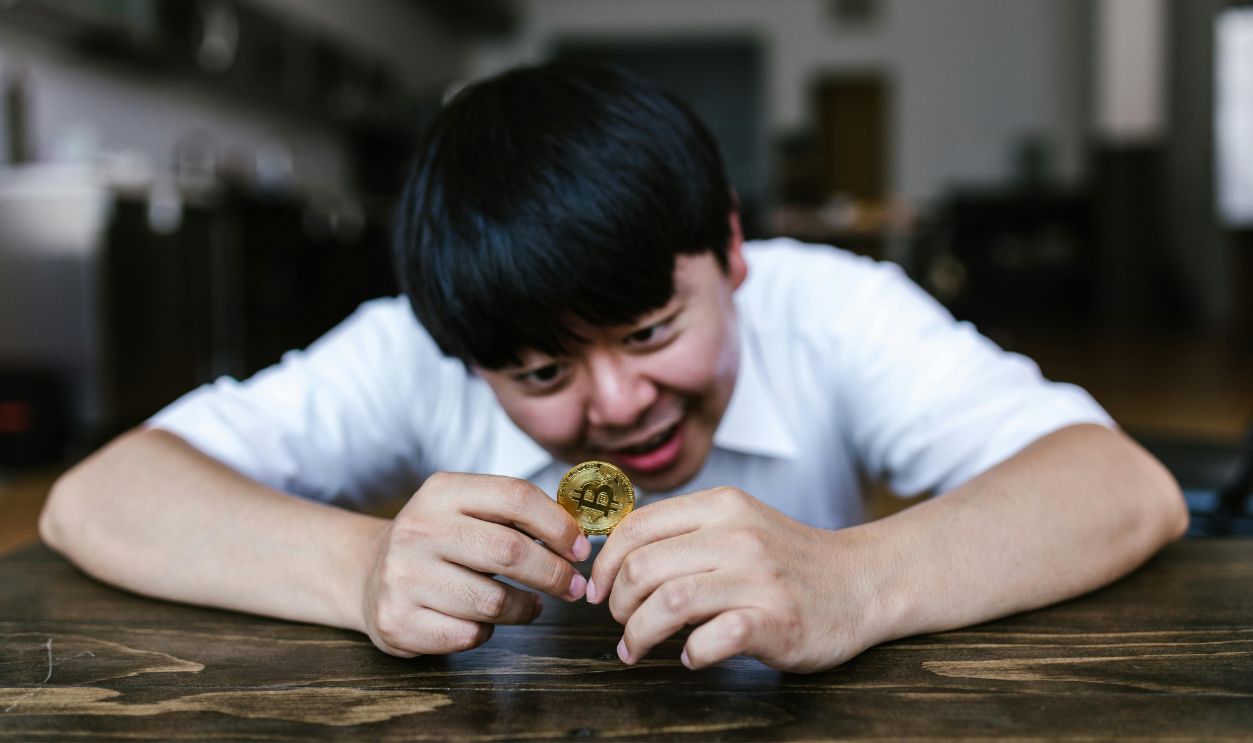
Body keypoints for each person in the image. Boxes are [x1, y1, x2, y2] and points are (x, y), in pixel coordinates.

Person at [39, 62, 1187, 674]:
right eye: (541, 373)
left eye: (647, 332)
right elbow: (100, 497)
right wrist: (360, 567)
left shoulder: (833, 305)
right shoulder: (413, 338)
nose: (619, 402)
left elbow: (1118, 486)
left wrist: (857, 580)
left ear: (730, 251)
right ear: (462, 353)